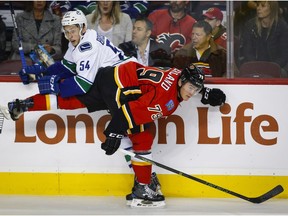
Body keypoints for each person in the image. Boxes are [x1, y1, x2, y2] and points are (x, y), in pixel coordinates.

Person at [0, 61, 226, 207]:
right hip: (119, 89)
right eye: (191, 89)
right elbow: (129, 111)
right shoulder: (166, 102)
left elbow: (179, 84)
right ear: (183, 81)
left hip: (112, 75)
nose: (192, 92)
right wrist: (113, 134)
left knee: (70, 102)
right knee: (143, 134)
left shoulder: (178, 74)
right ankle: (143, 187)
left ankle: (22, 105)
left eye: (195, 90)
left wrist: (205, 94)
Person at [241, 1, 288, 77]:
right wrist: (256, 67)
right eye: (257, 5)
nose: (258, 8)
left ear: (272, 8)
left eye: (263, 6)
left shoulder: (282, 26)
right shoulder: (250, 25)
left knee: (282, 73)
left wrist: (270, 68)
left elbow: (284, 55)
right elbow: (247, 51)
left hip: (275, 67)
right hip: (254, 67)